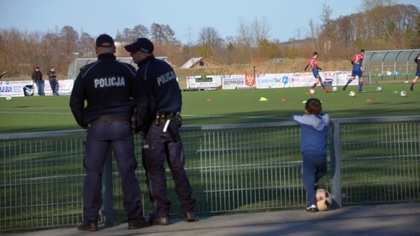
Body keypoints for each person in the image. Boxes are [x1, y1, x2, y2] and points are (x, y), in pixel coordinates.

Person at [69, 34, 151, 231]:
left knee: (93, 173)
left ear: (96, 50)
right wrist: (137, 124)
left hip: (97, 127)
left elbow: (75, 102)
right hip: (123, 126)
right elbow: (143, 100)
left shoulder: (87, 72)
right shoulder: (127, 70)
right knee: (127, 173)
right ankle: (135, 218)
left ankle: (90, 221)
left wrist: (85, 122)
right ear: (114, 50)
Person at [125, 38, 196, 226]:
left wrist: (138, 127)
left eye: (133, 52)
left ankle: (161, 214)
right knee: (178, 169)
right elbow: (177, 93)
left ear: (143, 52)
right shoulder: (165, 67)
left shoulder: (144, 72)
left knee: (154, 171)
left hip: (155, 127)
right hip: (173, 122)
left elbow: (145, 104)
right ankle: (188, 210)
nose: (131, 56)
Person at [290, 98, 330, 213]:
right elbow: (326, 115)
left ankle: (311, 204)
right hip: (321, 155)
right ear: (321, 109)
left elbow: (292, 117)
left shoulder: (305, 119)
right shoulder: (325, 119)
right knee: (322, 171)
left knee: (307, 178)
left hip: (308, 155)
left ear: (306, 110)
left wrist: (305, 114)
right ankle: (315, 182)